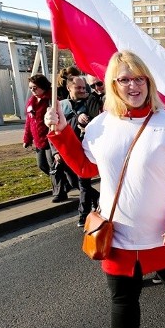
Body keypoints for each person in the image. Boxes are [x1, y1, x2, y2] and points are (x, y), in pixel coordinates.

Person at [44, 50, 165, 328]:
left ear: (149, 82)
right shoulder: (100, 125)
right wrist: (61, 133)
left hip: (162, 233)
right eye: (124, 79)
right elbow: (86, 169)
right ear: (113, 84)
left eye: (139, 78)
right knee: (123, 300)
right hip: (118, 234)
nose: (133, 85)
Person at [57, 75, 102, 226]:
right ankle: (99, 199)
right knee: (72, 181)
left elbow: (98, 119)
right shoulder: (61, 105)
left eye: (84, 87)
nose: (83, 90)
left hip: (84, 150)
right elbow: (54, 128)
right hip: (66, 151)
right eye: (79, 88)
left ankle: (83, 216)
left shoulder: (90, 102)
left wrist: (85, 117)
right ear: (69, 88)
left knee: (83, 184)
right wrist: (56, 152)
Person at [22, 74, 59, 200]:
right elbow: (29, 122)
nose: (33, 91)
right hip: (38, 140)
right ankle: (61, 183)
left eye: (35, 88)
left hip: (50, 139)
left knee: (53, 167)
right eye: (31, 88)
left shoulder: (51, 100)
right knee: (42, 165)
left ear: (43, 87)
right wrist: (27, 139)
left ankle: (59, 192)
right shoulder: (31, 102)